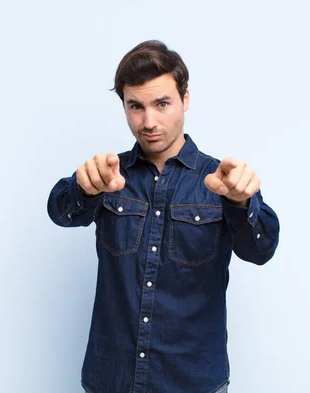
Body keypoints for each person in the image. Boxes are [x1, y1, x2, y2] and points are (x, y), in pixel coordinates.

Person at [47, 40, 280, 393]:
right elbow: (60, 211)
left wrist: (242, 204)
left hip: (193, 381)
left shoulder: (222, 181)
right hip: (112, 380)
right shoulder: (109, 176)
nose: (149, 121)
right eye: (135, 106)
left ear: (185, 100)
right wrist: (83, 188)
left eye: (162, 104)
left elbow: (260, 250)